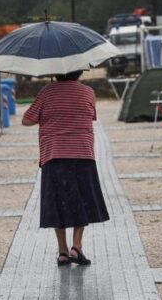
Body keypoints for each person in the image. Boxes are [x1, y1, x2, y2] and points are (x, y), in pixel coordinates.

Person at [22, 70, 109, 266]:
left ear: (55, 72)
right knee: (82, 200)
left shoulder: (47, 92)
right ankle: (76, 247)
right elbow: (90, 115)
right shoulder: (88, 92)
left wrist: (47, 113)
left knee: (57, 202)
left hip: (54, 155)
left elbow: (27, 120)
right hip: (83, 154)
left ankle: (62, 251)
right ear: (78, 72)